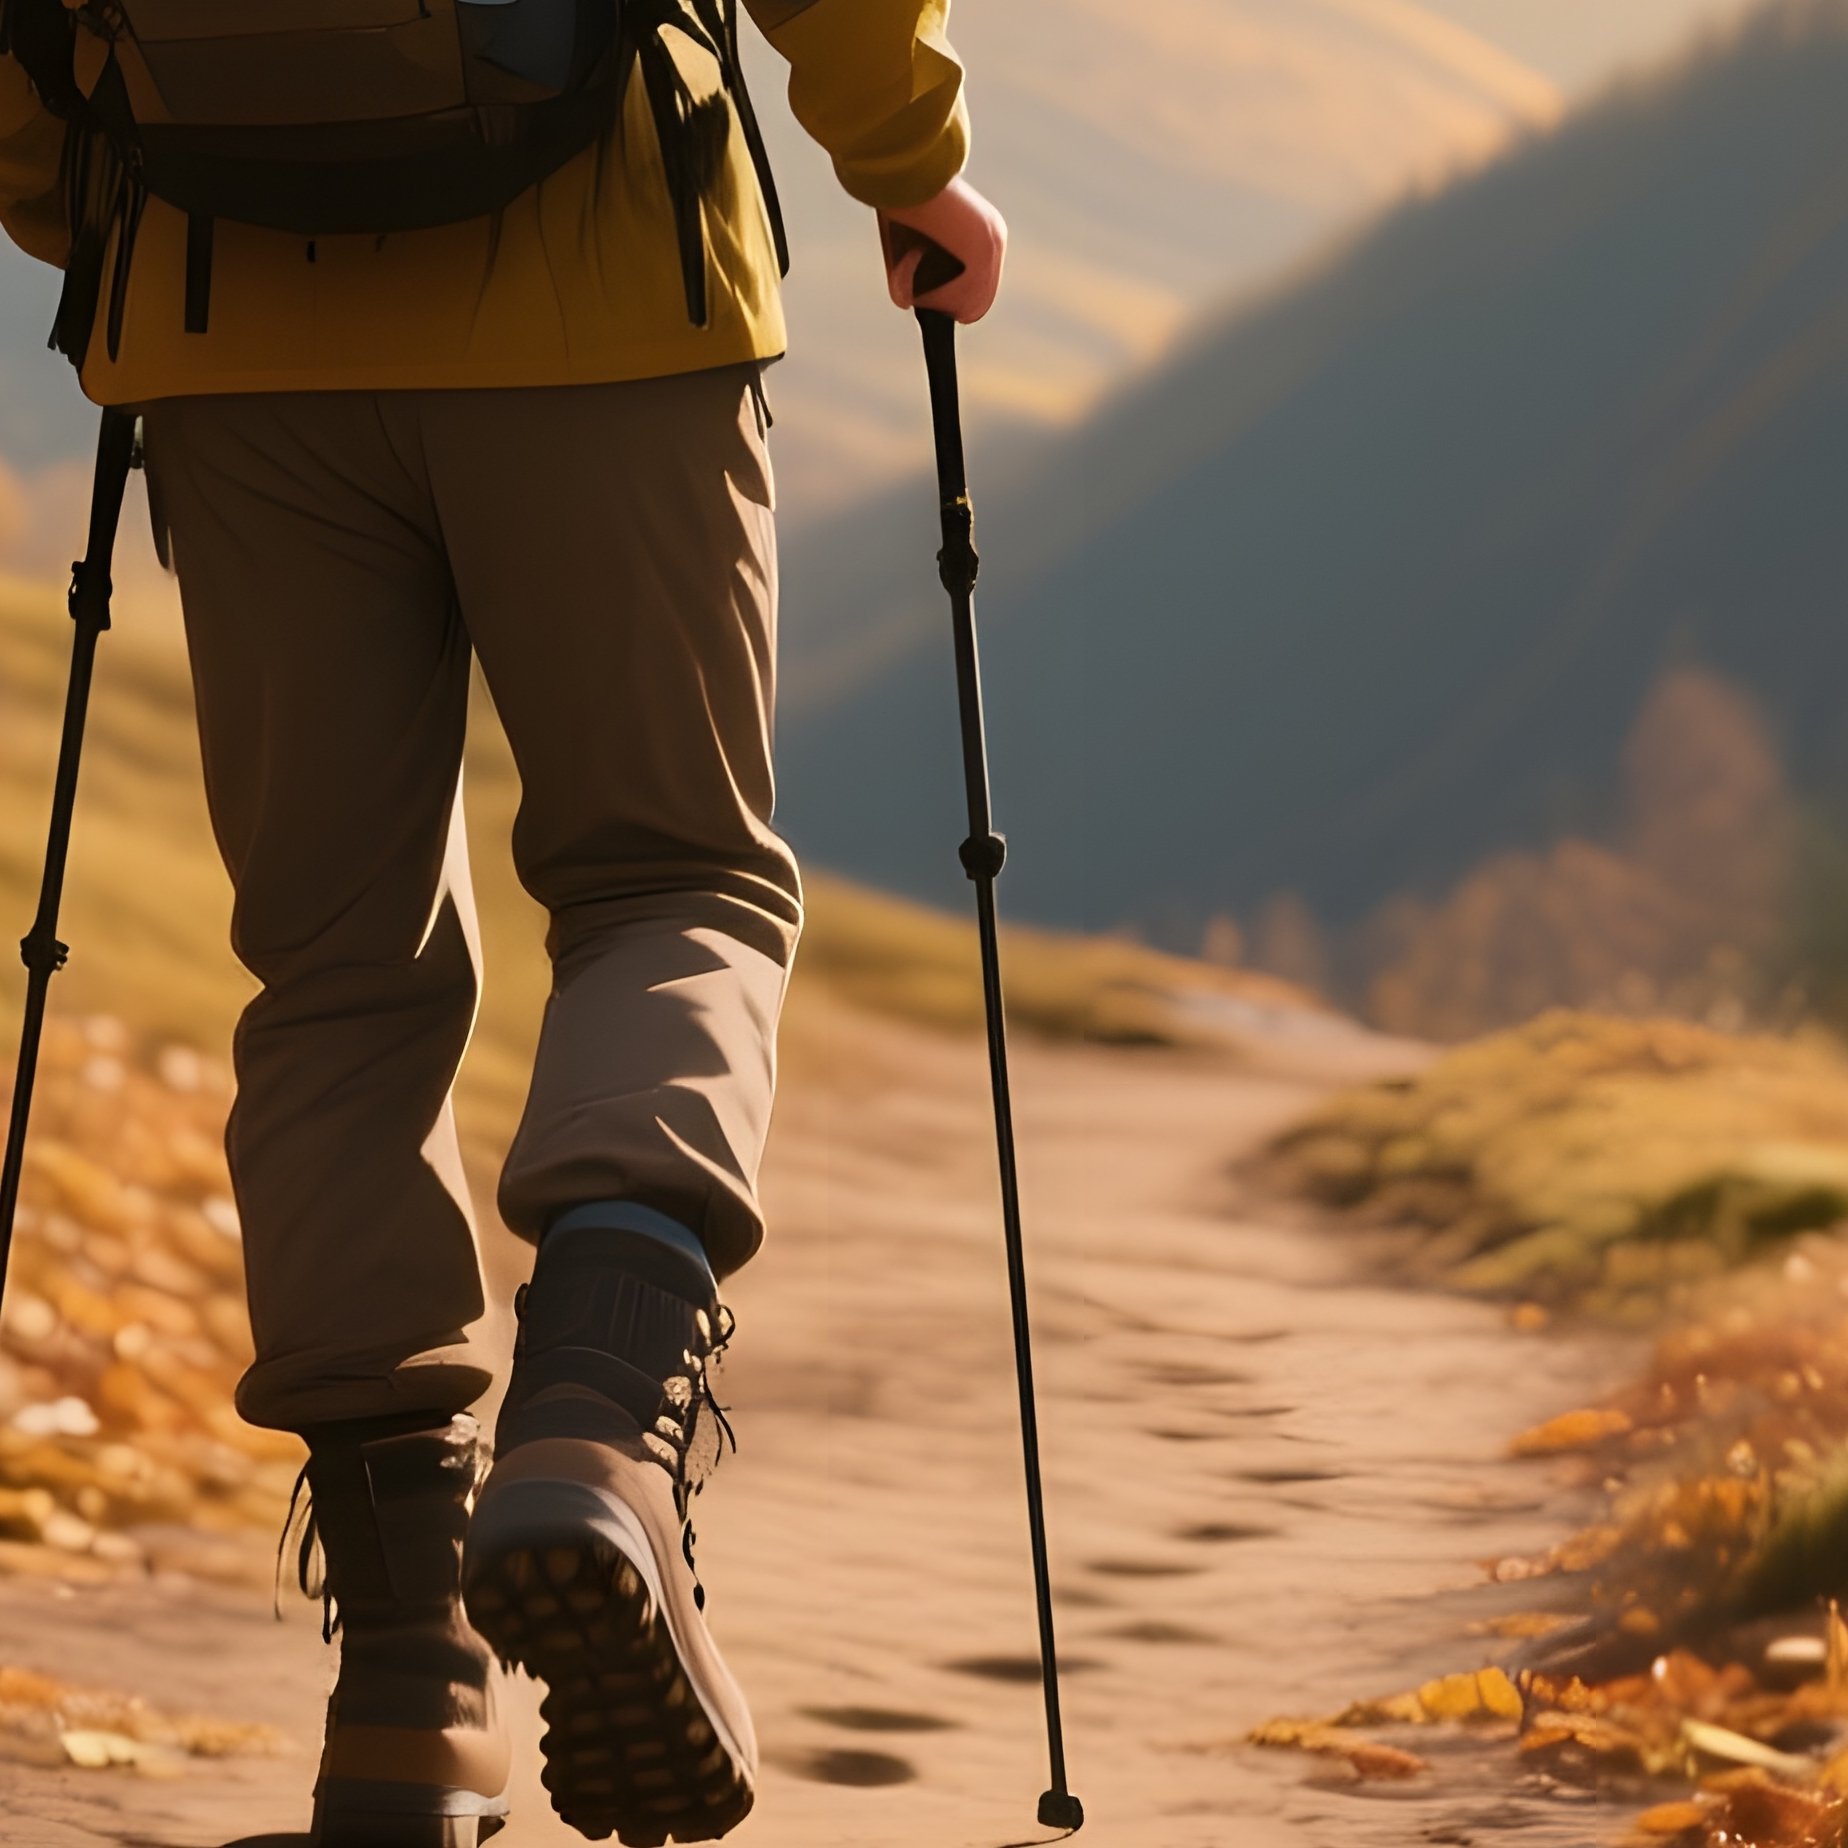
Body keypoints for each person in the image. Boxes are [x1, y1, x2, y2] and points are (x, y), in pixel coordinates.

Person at [0, 3, 1005, 1842]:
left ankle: (406, 1681)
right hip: (605, 285)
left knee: (332, 974)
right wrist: (913, 166)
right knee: (670, 878)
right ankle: (599, 1424)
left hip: (227, 316)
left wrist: (108, 189)